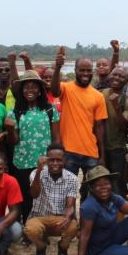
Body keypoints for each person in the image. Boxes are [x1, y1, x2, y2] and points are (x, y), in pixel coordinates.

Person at [50, 46, 108, 178]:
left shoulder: (98, 96)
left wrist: (102, 155)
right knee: (67, 190)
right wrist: (58, 68)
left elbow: (99, 127)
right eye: (82, 70)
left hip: (91, 152)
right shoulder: (66, 88)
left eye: (88, 70)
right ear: (75, 70)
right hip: (69, 151)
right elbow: (54, 91)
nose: (85, 74)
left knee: (91, 191)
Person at [11, 70, 61, 223]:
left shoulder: (50, 110)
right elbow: (14, 140)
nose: (30, 91)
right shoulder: (15, 112)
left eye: (34, 87)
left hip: (44, 161)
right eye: (26, 87)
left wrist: (56, 160)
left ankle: (44, 226)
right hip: (22, 161)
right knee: (26, 196)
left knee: (44, 195)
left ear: (40, 90)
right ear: (21, 91)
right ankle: (27, 226)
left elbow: (56, 138)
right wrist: (9, 129)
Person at [25, 144, 78, 255]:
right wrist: (39, 170)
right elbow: (34, 194)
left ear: (65, 160)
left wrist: (68, 215)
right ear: (46, 160)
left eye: (58, 160)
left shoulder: (72, 178)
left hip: (59, 219)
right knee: (30, 229)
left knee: (73, 226)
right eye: (51, 160)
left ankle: (63, 248)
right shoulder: (36, 173)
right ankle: (41, 247)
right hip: (39, 217)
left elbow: (70, 205)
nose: (55, 163)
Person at [100, 66, 128, 196]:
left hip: (117, 150)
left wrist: (116, 106)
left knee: (118, 185)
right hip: (98, 148)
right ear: (110, 75)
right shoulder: (100, 94)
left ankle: (121, 214)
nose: (117, 78)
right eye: (115, 74)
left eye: (121, 76)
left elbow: (123, 126)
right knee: (99, 183)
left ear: (126, 81)